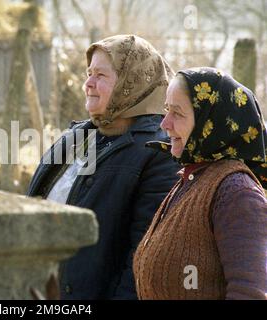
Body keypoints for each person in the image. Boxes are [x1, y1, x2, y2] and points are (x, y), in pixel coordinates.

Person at [27, 35, 180, 299]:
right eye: (89, 73)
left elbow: (142, 259)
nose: (88, 83)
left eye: (100, 75)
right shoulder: (74, 137)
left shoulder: (159, 153)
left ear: (132, 83)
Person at [133, 67, 267, 300]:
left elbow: (250, 292)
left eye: (178, 113)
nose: (165, 123)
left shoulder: (236, 193)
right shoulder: (192, 179)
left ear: (210, 123)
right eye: (167, 110)